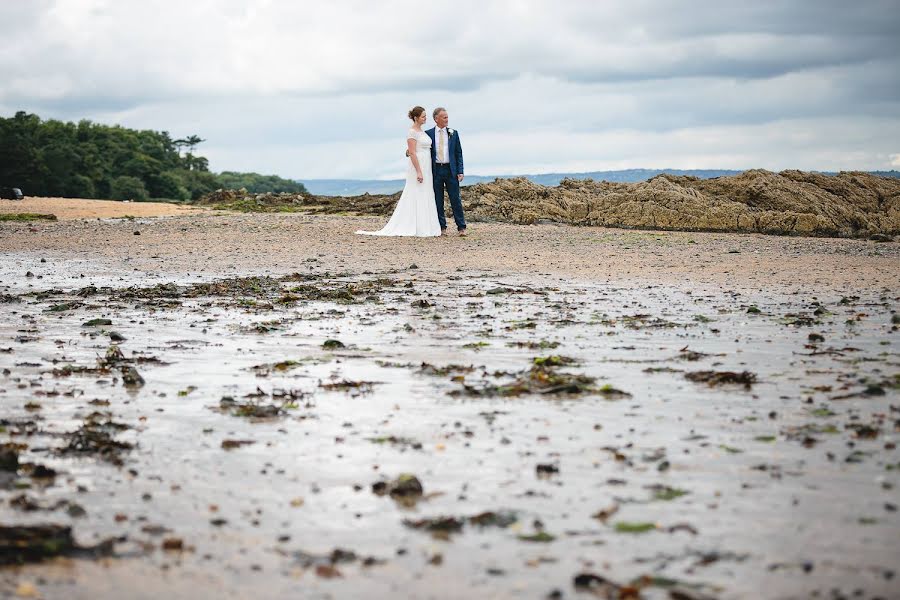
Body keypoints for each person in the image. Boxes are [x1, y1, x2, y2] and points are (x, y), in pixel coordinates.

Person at [355, 107, 441, 237]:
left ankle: (427, 225)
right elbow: (411, 152)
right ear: (416, 118)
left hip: (427, 165)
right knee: (416, 191)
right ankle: (415, 225)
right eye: (423, 116)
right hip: (419, 165)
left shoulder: (422, 132)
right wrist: (418, 171)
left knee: (426, 192)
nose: (425, 118)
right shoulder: (412, 132)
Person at [425, 107, 467, 236]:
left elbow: (458, 153)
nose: (447, 119)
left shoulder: (454, 133)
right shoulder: (428, 134)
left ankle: (461, 227)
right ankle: (441, 227)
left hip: (451, 170)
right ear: (436, 119)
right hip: (436, 170)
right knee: (438, 200)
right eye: (444, 117)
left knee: (455, 199)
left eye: (447, 117)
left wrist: (460, 170)